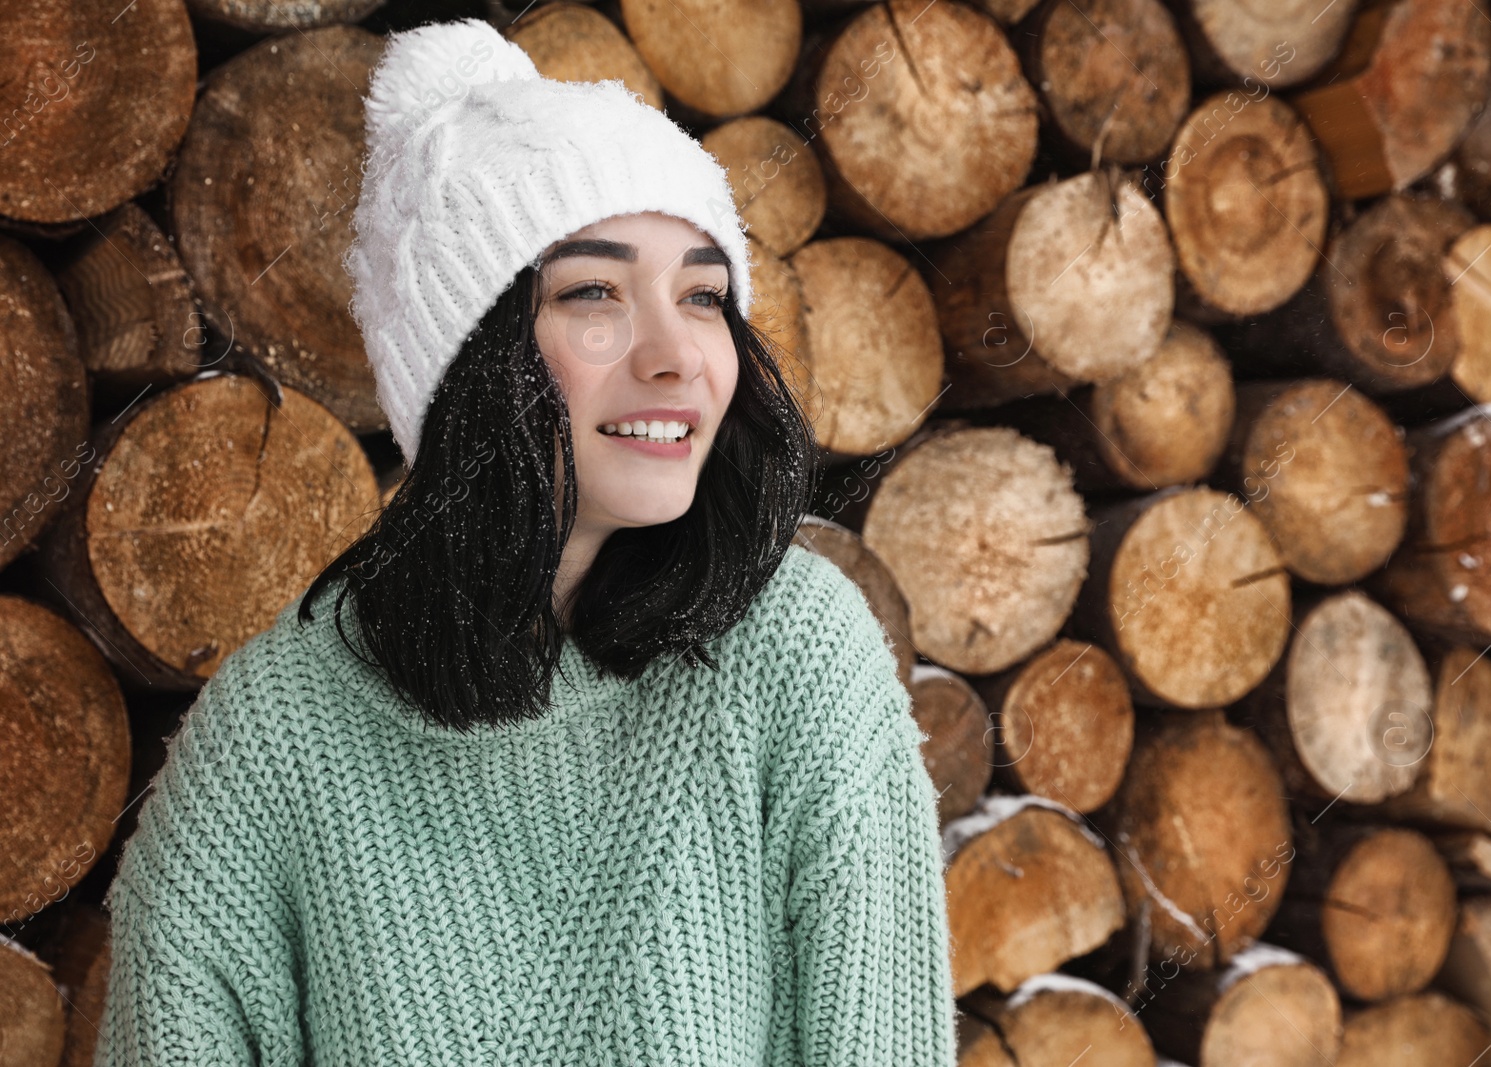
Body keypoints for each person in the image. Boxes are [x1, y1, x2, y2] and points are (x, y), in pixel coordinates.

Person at [92, 17, 958, 1066]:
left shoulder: (799, 656)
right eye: (594, 292)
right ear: (470, 360)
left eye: (702, 294)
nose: (677, 353)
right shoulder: (272, 744)